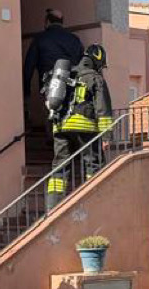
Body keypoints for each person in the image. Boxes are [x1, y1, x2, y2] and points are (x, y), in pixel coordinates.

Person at [45, 43, 115, 211]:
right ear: (97, 61)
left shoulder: (68, 74)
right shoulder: (95, 78)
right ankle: (95, 201)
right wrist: (106, 136)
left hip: (60, 127)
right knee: (93, 164)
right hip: (85, 127)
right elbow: (103, 108)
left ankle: (53, 207)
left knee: (60, 167)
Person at [24, 7, 84, 102]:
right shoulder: (74, 39)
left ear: (47, 21)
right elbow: (83, 63)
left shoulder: (40, 39)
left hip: (51, 83)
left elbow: (29, 67)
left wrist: (26, 91)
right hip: (71, 83)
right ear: (62, 22)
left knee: (53, 112)